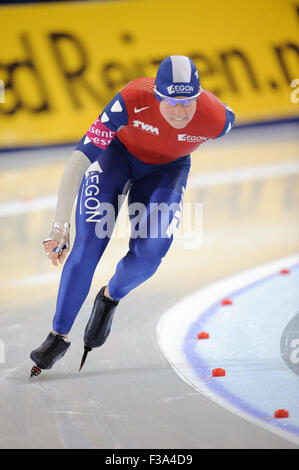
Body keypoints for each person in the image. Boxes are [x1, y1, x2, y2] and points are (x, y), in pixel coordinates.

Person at [29, 55, 235, 376]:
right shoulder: (132, 99)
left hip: (167, 172)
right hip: (117, 159)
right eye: (171, 102)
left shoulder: (217, 118)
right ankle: (58, 336)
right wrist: (59, 226)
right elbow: (80, 158)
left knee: (149, 257)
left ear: (199, 96)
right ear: (157, 95)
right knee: (89, 244)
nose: (180, 111)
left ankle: (110, 297)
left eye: (188, 102)